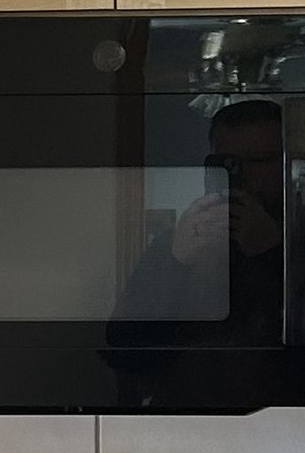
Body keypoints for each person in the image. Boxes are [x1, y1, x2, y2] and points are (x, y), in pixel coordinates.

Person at [108, 99, 286, 331]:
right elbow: (123, 348)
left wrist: (273, 253)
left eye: (259, 161)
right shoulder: (183, 239)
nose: (244, 175)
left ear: (286, 163)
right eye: (228, 164)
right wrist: (176, 263)